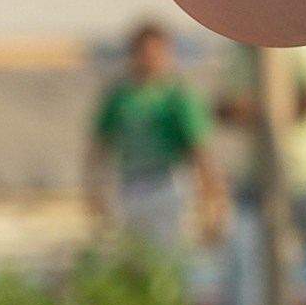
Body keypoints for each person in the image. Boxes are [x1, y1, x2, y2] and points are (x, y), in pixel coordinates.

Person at [85, 21, 215, 261]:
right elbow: (99, 145)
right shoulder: (120, 96)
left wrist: (210, 197)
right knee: (132, 258)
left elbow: (199, 147)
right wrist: (95, 189)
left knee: (166, 258)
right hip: (131, 181)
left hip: (166, 180)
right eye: (144, 52)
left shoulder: (176, 97)